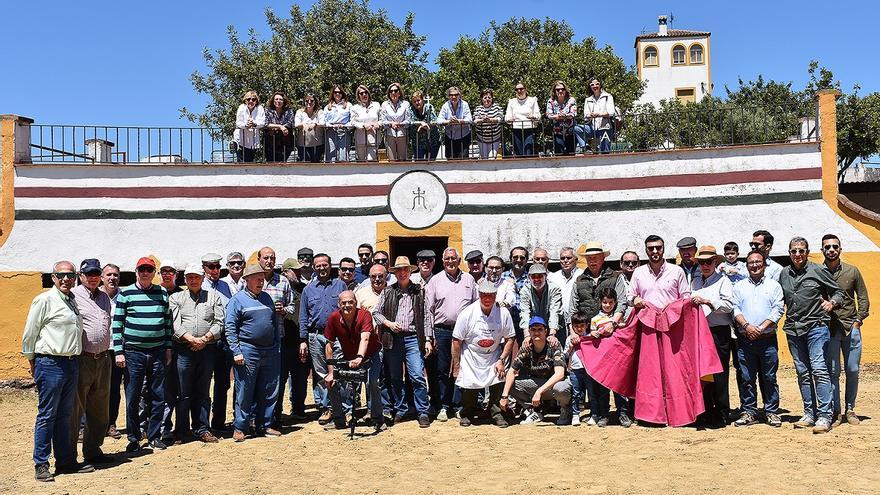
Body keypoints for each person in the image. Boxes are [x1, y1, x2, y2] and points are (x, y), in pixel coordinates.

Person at [23, 261, 94, 481]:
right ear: (53, 277)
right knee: (47, 415)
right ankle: (41, 464)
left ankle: (65, 462)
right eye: (61, 275)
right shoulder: (44, 299)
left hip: (71, 364)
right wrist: (32, 359)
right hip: (50, 363)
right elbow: (30, 332)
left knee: (65, 416)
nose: (66, 279)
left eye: (70, 275)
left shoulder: (71, 300)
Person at [778, 236, 844, 434]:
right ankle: (809, 413)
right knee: (802, 372)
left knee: (818, 370)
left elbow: (838, 292)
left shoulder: (818, 270)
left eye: (801, 251)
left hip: (816, 326)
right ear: (789, 253)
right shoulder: (783, 274)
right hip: (793, 329)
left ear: (807, 252)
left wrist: (832, 303)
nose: (797, 254)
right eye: (793, 251)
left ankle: (824, 416)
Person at [113, 257, 173, 453]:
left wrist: (168, 348)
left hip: (157, 352)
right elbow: (117, 325)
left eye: (149, 269)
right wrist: (119, 352)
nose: (145, 272)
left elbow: (167, 324)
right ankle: (134, 437)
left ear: (154, 272)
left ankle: (154, 436)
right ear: (136, 271)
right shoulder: (126, 294)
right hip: (133, 353)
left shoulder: (162, 292)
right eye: (142, 269)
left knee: (158, 395)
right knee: (132, 396)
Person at [373, 257, 432, 427]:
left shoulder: (420, 291)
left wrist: (428, 339)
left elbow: (427, 316)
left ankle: (422, 411)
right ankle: (401, 409)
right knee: (395, 377)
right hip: (393, 339)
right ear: (395, 273)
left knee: (417, 376)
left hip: (413, 338)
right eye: (398, 270)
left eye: (405, 269)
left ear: (410, 271)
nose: (402, 272)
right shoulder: (387, 291)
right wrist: (389, 324)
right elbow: (376, 313)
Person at [225, 263, 281, 442]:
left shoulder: (266, 298)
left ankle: (265, 424)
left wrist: (275, 344)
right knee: (245, 390)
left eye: (262, 278)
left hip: (270, 350)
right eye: (256, 278)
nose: (260, 281)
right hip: (248, 350)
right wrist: (236, 351)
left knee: (270, 389)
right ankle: (240, 427)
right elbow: (230, 327)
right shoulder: (237, 300)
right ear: (246, 280)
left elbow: (273, 322)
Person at [169, 263, 224, 443]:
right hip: (184, 349)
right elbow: (175, 324)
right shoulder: (176, 298)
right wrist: (192, 339)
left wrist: (205, 339)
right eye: (190, 277)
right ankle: (182, 430)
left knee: (203, 390)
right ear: (185, 279)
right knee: (183, 392)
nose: (193, 280)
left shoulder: (213, 297)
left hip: (207, 350)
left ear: (202, 278)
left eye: (196, 277)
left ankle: (202, 428)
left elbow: (219, 322)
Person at [451, 279, 516, 427]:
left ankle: (496, 412)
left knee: (497, 381)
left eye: (491, 296)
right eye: (484, 295)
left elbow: (510, 338)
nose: (487, 299)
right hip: (471, 354)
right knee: (470, 383)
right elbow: (456, 341)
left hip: (493, 354)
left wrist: (501, 359)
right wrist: (457, 364)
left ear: (495, 296)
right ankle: (467, 413)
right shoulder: (467, 313)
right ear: (479, 295)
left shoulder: (503, 313)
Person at [731, 251, 784, 427]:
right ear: (746, 265)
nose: (754, 265)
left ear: (764, 264)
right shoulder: (739, 286)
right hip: (745, 339)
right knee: (746, 377)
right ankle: (749, 412)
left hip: (767, 338)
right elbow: (735, 308)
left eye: (758, 262)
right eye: (751, 262)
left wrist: (760, 328)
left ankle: (771, 412)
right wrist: (747, 326)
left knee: (769, 377)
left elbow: (778, 309)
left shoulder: (774, 285)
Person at [821, 234, 870, 426]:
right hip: (829, 329)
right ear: (822, 250)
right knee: (832, 371)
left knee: (852, 369)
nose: (831, 250)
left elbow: (863, 298)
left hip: (851, 327)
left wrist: (858, 320)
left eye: (835, 246)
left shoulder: (852, 271)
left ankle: (850, 409)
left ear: (840, 249)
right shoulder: (818, 272)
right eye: (827, 247)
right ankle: (836, 412)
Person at [425, 248, 479, 421]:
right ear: (443, 260)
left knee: (463, 368)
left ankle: (458, 404)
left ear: (459, 259)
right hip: (442, 330)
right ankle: (442, 405)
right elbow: (428, 311)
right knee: (442, 370)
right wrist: (429, 336)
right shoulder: (435, 281)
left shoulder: (469, 280)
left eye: (453, 258)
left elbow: (476, 307)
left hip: (464, 332)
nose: (450, 261)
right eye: (447, 258)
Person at [70, 259, 114, 465]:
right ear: (81, 275)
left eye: (96, 273)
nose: (93, 277)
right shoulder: (73, 296)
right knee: (76, 409)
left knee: (100, 409)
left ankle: (93, 450)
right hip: (83, 359)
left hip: (104, 359)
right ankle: (69, 456)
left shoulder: (104, 297)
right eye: (89, 274)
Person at [323, 291, 384, 432]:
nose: (347, 305)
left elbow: (366, 338)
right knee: (331, 381)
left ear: (356, 303)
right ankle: (339, 420)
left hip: (370, 354)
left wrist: (359, 357)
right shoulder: (333, 318)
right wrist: (331, 372)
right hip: (349, 356)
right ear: (339, 304)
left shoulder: (364, 314)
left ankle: (378, 419)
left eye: (350, 302)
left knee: (372, 382)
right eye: (344, 302)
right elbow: (329, 346)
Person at [299, 253, 347, 424]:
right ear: (314, 267)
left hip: (338, 337)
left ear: (330, 265)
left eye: (324, 265)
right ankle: (326, 408)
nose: (322, 268)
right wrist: (303, 340)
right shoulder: (308, 290)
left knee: (340, 372)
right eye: (318, 265)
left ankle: (344, 408)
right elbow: (303, 317)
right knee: (321, 374)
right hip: (316, 336)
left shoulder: (340, 285)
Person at [690, 246, 735, 428]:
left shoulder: (723, 281)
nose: (705, 265)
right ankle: (706, 410)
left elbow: (729, 305)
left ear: (716, 262)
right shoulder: (694, 282)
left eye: (709, 261)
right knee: (702, 374)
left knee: (719, 373)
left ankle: (722, 411)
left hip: (718, 331)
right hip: (699, 332)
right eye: (702, 262)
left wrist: (708, 301)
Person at [500, 316, 571, 426]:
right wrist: (504, 396)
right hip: (536, 383)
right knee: (510, 384)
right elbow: (512, 371)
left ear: (545, 331)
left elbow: (560, 374)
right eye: (533, 330)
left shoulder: (553, 345)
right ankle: (533, 411)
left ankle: (565, 410)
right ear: (529, 332)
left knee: (562, 388)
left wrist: (539, 391)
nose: (536, 333)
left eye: (540, 329)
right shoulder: (526, 347)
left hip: (553, 385)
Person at [255, 247, 296, 427]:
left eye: (272, 258)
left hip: (276, 338)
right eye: (266, 258)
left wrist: (284, 310)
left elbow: (292, 306)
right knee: (254, 380)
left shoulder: (283, 281)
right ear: (259, 260)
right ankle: (253, 418)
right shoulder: (250, 279)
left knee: (274, 380)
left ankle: (273, 417)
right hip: (254, 340)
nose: (269, 261)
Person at [278, 258, 309, 421]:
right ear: (285, 272)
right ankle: (277, 412)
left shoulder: (304, 289)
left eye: (299, 270)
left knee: (300, 377)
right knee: (280, 379)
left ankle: (298, 409)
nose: (299, 273)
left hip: (300, 340)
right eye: (295, 271)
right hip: (282, 340)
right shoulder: (278, 289)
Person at [611, 250, 639, 426]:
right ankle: (622, 411)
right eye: (627, 262)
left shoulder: (644, 277)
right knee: (620, 372)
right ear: (621, 264)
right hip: (620, 331)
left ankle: (637, 408)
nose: (630, 265)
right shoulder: (614, 281)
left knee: (638, 372)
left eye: (633, 262)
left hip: (639, 331)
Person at [584, 289, 619, 426]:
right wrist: (593, 334)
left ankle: (622, 413)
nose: (607, 305)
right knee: (603, 389)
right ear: (600, 302)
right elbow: (592, 336)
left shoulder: (618, 318)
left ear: (615, 302)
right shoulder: (595, 319)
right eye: (604, 302)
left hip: (617, 358)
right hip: (604, 360)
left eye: (610, 302)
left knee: (618, 389)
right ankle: (604, 415)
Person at [628, 235, 691, 310]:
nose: (655, 251)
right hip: (647, 318)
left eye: (658, 248)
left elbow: (686, 297)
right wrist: (634, 299)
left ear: (663, 249)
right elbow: (629, 296)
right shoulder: (638, 272)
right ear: (646, 250)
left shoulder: (677, 271)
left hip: (672, 318)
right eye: (651, 248)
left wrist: (673, 304)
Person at [568, 242, 618, 332]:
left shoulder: (615, 277)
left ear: (603, 258)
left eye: (596, 257)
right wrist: (572, 332)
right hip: (585, 331)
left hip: (610, 329)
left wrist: (613, 323)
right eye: (589, 258)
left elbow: (622, 303)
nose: (592, 260)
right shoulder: (579, 280)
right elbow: (572, 309)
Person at [101, 263, 125, 440]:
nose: (112, 278)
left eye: (115, 275)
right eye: (108, 275)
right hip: (97, 350)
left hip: (116, 349)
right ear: (102, 277)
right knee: (92, 389)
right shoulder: (94, 296)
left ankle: (111, 424)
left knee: (114, 388)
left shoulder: (124, 297)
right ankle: (85, 425)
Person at [519, 264, 563, 344]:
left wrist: (552, 334)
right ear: (529, 277)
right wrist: (527, 335)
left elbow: (554, 312)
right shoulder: (525, 290)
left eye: (540, 276)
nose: (537, 279)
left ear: (546, 276)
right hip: (533, 329)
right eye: (533, 277)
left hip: (553, 328)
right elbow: (524, 313)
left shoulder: (554, 289)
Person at [549, 247, 583, 334]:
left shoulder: (583, 275)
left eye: (569, 258)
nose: (565, 260)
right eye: (562, 258)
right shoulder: (553, 277)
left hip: (578, 321)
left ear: (576, 259)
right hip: (558, 322)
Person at [566, 312, 591, 426]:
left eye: (582, 326)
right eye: (576, 326)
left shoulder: (589, 337)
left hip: (588, 369)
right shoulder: (569, 339)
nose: (579, 328)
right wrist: (571, 346)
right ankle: (575, 414)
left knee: (591, 392)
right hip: (575, 369)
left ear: (587, 325)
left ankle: (593, 413)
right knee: (576, 393)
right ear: (573, 326)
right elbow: (565, 354)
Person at [505, 82, 541, 157]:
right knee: (519, 153)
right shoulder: (512, 102)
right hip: (516, 129)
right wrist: (510, 119)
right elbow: (507, 117)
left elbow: (538, 115)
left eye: (521, 89)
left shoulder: (532, 100)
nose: (519, 91)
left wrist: (533, 117)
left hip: (529, 129)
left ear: (525, 89)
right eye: (517, 89)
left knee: (528, 151)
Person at [436, 86, 472, 160]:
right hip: (450, 137)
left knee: (463, 161)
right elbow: (438, 120)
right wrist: (449, 121)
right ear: (448, 96)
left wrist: (459, 121)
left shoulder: (465, 104)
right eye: (451, 95)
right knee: (450, 161)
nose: (454, 97)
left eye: (456, 95)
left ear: (459, 95)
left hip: (463, 137)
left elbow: (469, 119)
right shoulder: (445, 105)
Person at [503, 246, 530, 343]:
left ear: (526, 260)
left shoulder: (531, 278)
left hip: (525, 325)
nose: (518, 260)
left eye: (522, 258)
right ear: (510, 259)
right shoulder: (502, 277)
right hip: (505, 323)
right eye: (515, 257)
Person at [582, 78, 617, 154]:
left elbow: (611, 112)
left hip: (605, 127)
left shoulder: (608, 96)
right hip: (592, 127)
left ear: (600, 85)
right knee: (577, 129)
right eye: (592, 84)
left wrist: (598, 114)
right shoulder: (588, 99)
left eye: (597, 84)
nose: (595, 86)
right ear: (590, 87)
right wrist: (590, 115)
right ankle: (586, 147)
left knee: (605, 152)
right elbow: (586, 115)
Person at [545, 80, 578, 155]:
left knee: (571, 154)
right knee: (559, 154)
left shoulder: (571, 100)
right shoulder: (551, 101)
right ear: (554, 91)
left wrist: (565, 116)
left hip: (570, 132)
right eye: (558, 90)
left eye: (562, 89)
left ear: (565, 90)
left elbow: (574, 113)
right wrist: (558, 116)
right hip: (558, 132)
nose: (560, 91)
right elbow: (549, 115)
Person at [380, 82, 410, 161]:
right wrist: (391, 123)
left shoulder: (405, 104)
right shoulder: (384, 104)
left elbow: (408, 120)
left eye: (396, 91)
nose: (393, 93)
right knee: (391, 160)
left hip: (402, 134)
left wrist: (400, 124)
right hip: (389, 134)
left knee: (402, 160)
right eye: (391, 91)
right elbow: (382, 121)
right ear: (389, 93)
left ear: (399, 93)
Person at [234, 90, 267, 163]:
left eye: (253, 99)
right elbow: (238, 122)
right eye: (248, 99)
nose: (251, 101)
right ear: (245, 101)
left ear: (256, 101)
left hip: (253, 141)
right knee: (241, 163)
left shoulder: (260, 108)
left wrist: (254, 124)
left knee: (250, 162)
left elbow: (262, 122)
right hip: (241, 140)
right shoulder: (241, 108)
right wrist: (246, 125)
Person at [351, 85, 381, 161]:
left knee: (371, 160)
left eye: (366, 92)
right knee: (362, 162)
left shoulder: (376, 105)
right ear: (358, 96)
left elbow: (382, 118)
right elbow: (353, 121)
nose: (364, 95)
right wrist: (363, 125)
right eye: (361, 93)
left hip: (374, 138)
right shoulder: (354, 108)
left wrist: (378, 124)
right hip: (360, 139)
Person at [323, 84, 352, 162]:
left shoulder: (348, 105)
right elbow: (323, 121)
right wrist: (331, 125)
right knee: (331, 156)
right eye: (335, 92)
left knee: (343, 157)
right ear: (332, 94)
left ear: (342, 93)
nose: (337, 94)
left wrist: (344, 125)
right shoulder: (327, 107)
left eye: (339, 92)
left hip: (344, 131)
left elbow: (352, 120)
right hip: (330, 131)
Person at [409, 90, 441, 160]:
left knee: (430, 164)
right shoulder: (411, 109)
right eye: (414, 101)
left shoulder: (429, 107)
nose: (417, 103)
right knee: (419, 164)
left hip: (432, 141)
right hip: (418, 142)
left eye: (418, 100)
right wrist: (421, 123)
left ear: (422, 100)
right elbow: (410, 121)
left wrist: (424, 126)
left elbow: (434, 120)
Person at [263, 90, 294, 162]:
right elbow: (266, 123)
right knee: (271, 163)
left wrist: (274, 127)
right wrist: (280, 126)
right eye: (276, 99)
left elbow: (290, 123)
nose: (278, 101)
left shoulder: (289, 111)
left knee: (283, 163)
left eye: (281, 99)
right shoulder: (268, 110)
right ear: (273, 101)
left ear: (284, 101)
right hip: (270, 143)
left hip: (286, 143)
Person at [294, 93, 325, 163]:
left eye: (312, 100)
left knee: (316, 165)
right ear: (304, 101)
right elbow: (296, 124)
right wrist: (303, 124)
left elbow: (323, 123)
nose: (309, 102)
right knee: (304, 165)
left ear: (315, 102)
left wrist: (315, 124)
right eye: (307, 100)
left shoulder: (320, 112)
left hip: (317, 144)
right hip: (302, 144)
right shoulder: (299, 112)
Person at [472, 89, 503, 159]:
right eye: (485, 98)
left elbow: (500, 118)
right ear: (482, 99)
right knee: (484, 158)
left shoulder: (497, 107)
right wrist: (483, 120)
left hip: (495, 138)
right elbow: (475, 120)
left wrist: (490, 120)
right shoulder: (478, 109)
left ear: (492, 99)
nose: (487, 99)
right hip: (482, 138)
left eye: (489, 97)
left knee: (492, 157)